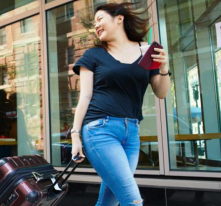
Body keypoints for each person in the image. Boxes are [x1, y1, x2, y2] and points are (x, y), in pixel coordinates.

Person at [70, 2, 170, 206]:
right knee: (132, 201)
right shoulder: (93, 55)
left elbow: (161, 92)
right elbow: (85, 97)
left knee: (109, 201)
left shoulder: (146, 51)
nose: (96, 25)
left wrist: (164, 67)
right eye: (94, 23)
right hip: (100, 130)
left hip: (131, 133)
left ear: (119, 18)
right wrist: (75, 136)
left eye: (99, 19)